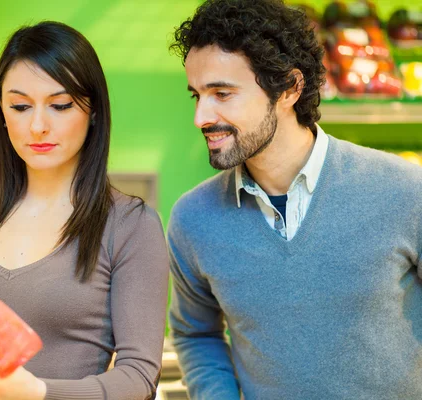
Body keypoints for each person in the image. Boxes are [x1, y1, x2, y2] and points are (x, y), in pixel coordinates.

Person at [0, 21, 169, 400]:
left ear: (93, 112)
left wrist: (36, 392)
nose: (38, 125)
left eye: (60, 105)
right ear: (2, 114)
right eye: (20, 106)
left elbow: (138, 379)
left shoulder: (130, 225)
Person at [166, 1, 422, 399]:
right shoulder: (193, 219)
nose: (201, 116)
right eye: (196, 95)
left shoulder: (406, 191)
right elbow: (195, 333)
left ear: (289, 88)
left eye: (222, 93)